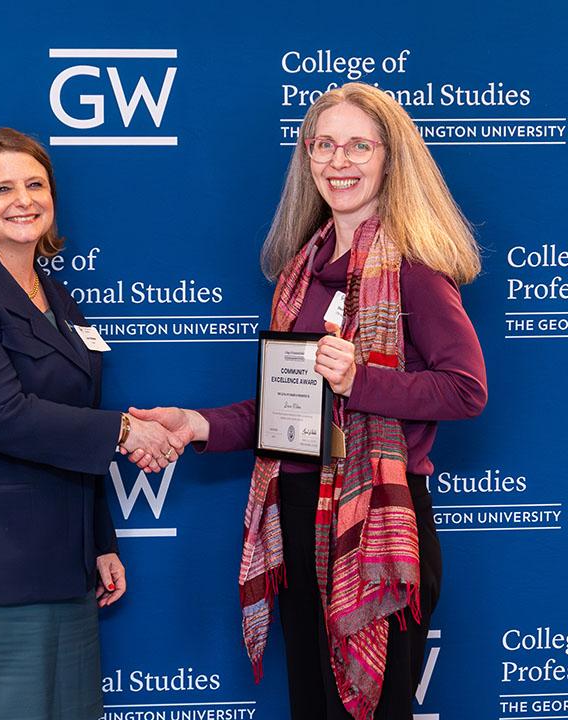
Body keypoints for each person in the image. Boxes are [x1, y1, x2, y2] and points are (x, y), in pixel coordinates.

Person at [128, 83, 487, 719]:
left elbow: (465, 389)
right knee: (314, 707)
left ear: (389, 158)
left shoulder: (413, 269)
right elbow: (285, 407)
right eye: (324, 145)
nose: (339, 161)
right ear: (307, 157)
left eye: (358, 145)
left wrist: (361, 380)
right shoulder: (301, 269)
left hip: (374, 524)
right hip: (295, 518)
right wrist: (195, 425)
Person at [0, 127, 183, 720]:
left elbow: (71, 426)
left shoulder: (55, 299)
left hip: (63, 571)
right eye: (1, 189)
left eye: (35, 184)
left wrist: (99, 541)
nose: (23, 199)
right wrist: (127, 433)